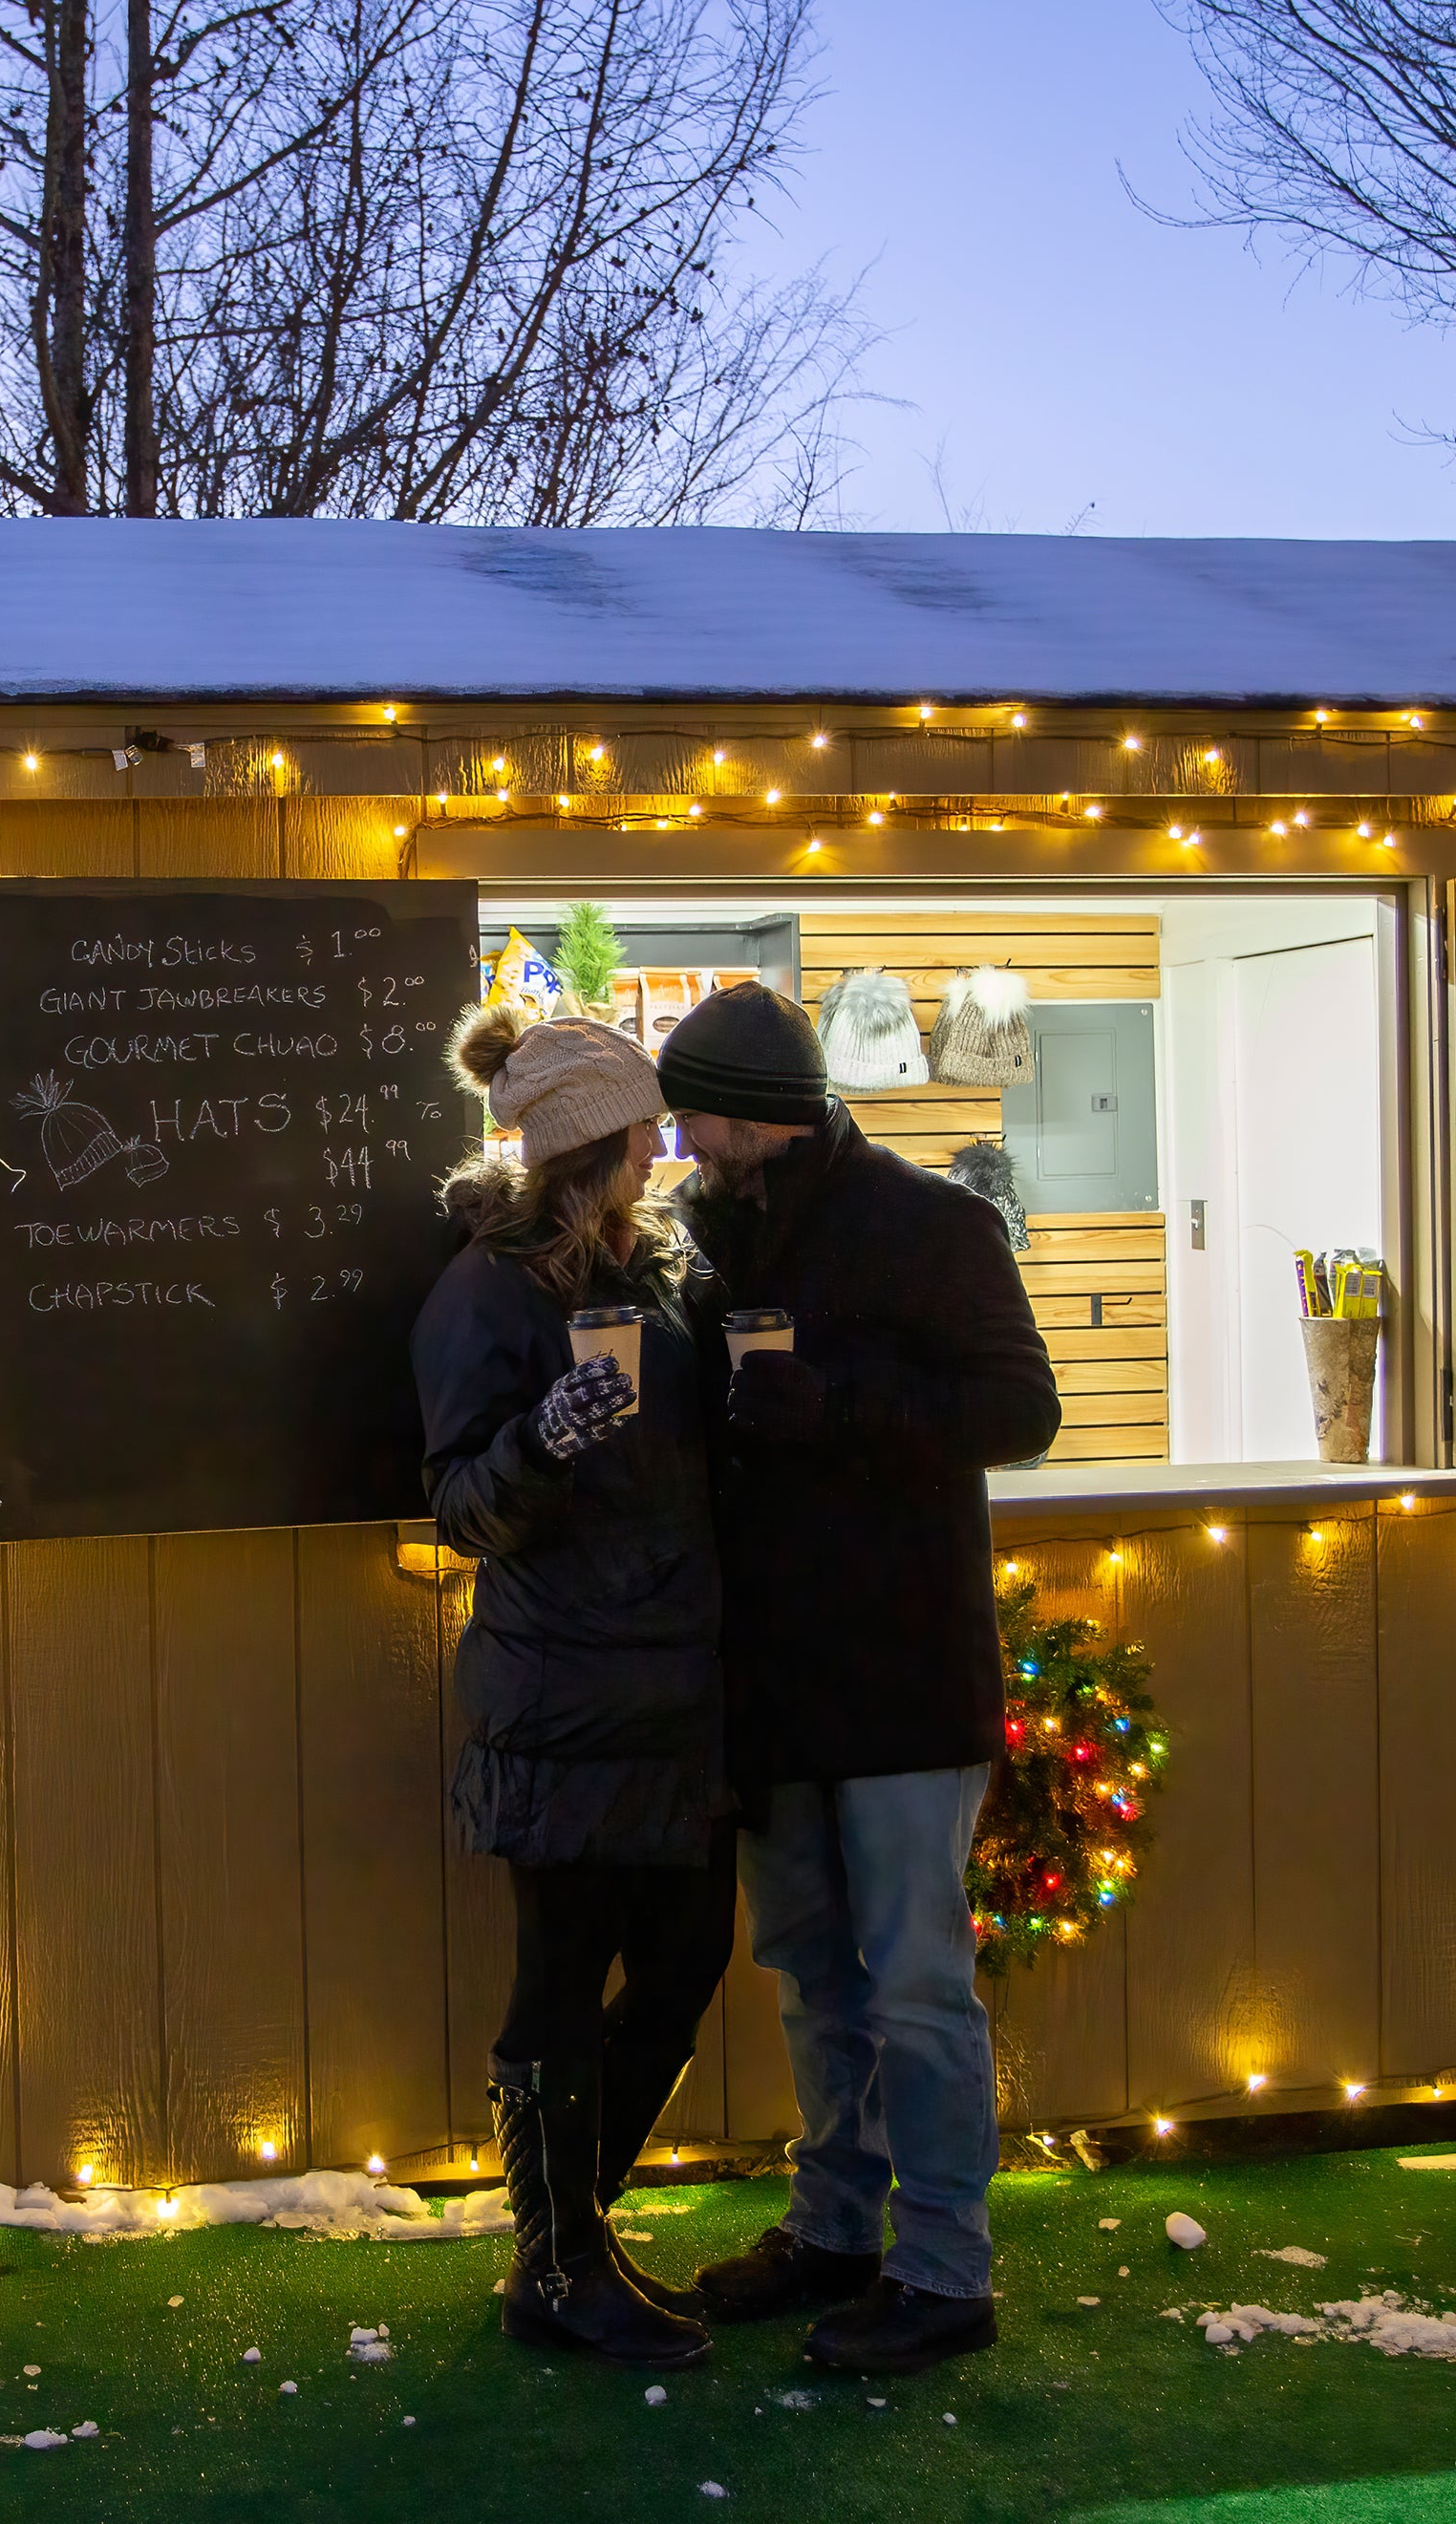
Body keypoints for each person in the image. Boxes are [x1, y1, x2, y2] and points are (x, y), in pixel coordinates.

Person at [655, 979, 1060, 2377]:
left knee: (916, 1984)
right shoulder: (713, 1244)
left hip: (900, 1674)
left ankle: (946, 2268)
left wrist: (833, 1405)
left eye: (698, 1113)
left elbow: (1023, 1412)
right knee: (810, 1973)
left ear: (762, 1116)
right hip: (776, 1678)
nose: (684, 1141)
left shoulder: (931, 1227)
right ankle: (834, 2229)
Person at [415, 998, 735, 2370]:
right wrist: (542, 1443)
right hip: (563, 1699)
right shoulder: (484, 1292)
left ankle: (572, 2232)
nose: (663, 1147)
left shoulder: (655, 1269)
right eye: (644, 1130)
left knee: (688, 1959)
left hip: (678, 1690)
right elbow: (460, 1508)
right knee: (561, 1977)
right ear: (583, 1148)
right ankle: (557, 2264)